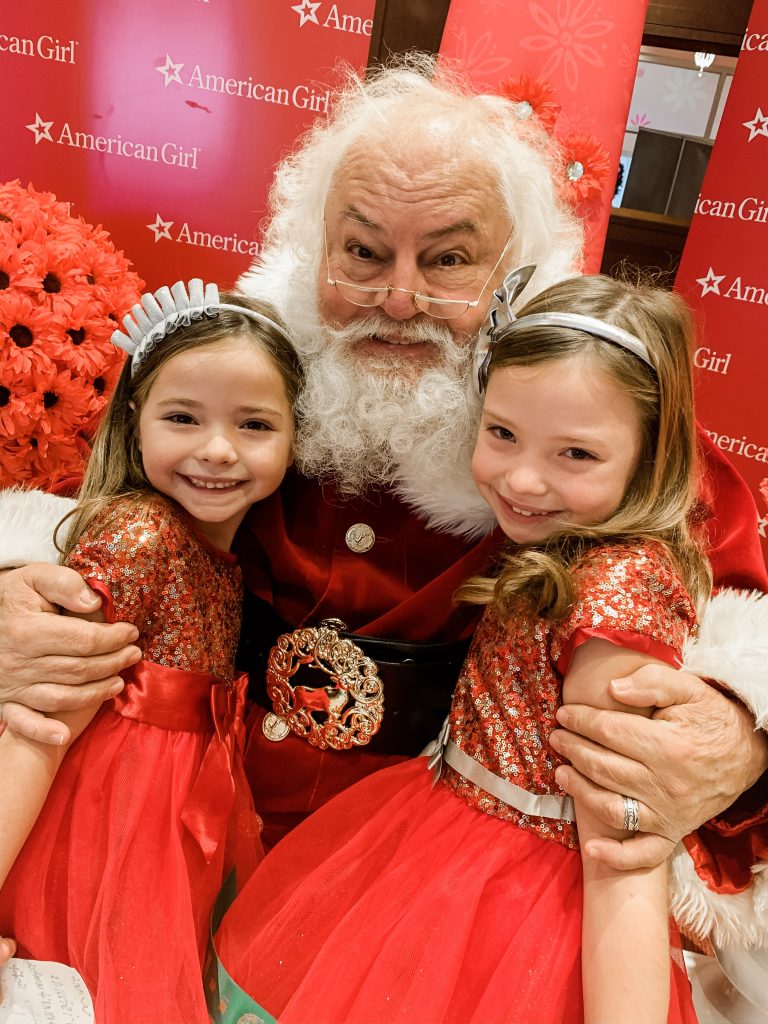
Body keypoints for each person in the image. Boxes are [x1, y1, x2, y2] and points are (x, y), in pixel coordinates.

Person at [0, 58, 766, 956]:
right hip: (185, 831)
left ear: (518, 273)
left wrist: (742, 733)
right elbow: (75, 507)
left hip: (432, 885)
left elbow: (739, 619)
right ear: (309, 246)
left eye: (448, 260)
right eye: (361, 252)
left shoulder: (595, 422)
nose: (397, 301)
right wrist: (16, 596)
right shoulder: (232, 375)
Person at [211, 272, 710, 1024]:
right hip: (436, 834)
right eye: (502, 433)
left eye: (576, 454)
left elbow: (622, 861)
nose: (522, 479)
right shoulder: (558, 543)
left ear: (650, 454)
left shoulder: (618, 594)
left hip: (522, 907)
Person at [0, 280, 302, 1024]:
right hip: (102, 821)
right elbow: (39, 731)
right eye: (182, 418)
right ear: (135, 422)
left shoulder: (229, 549)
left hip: (173, 820)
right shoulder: (140, 536)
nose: (218, 450)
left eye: (255, 424)